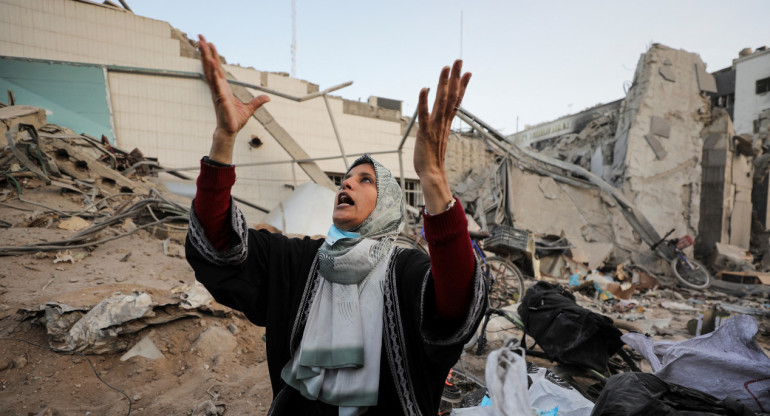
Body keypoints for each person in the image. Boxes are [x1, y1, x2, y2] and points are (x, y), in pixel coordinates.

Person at [186, 35, 487, 416]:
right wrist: (224, 140)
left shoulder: (404, 271)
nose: (346, 183)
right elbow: (219, 245)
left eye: (365, 180)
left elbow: (456, 301)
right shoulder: (300, 261)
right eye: (345, 178)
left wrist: (432, 178)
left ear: (389, 206)